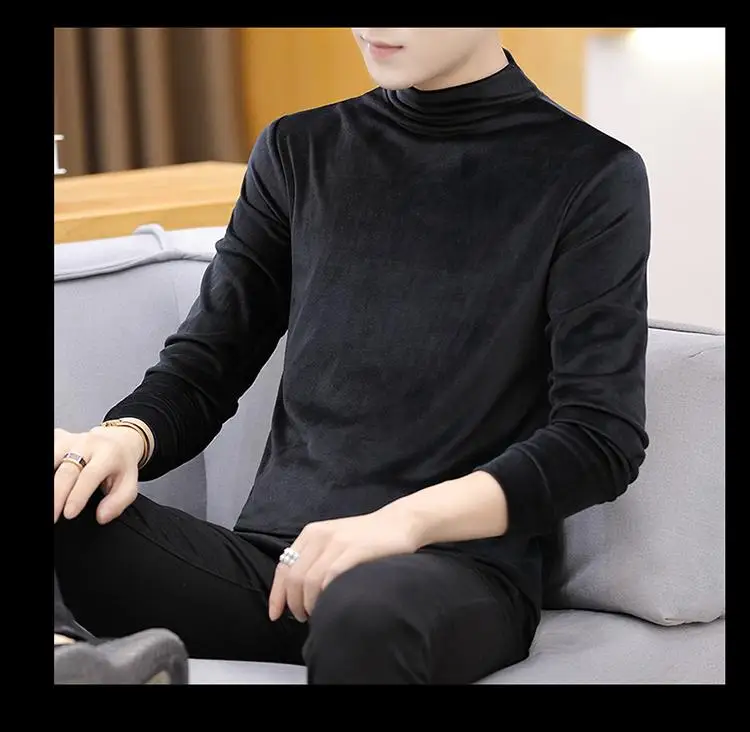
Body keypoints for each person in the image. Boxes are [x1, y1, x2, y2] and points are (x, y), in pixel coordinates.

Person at [54, 27, 650, 685]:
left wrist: (401, 524)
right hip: (270, 572)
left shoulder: (590, 174)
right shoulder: (297, 150)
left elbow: (599, 438)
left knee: (364, 612)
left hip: (440, 575)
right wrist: (121, 437)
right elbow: (206, 365)